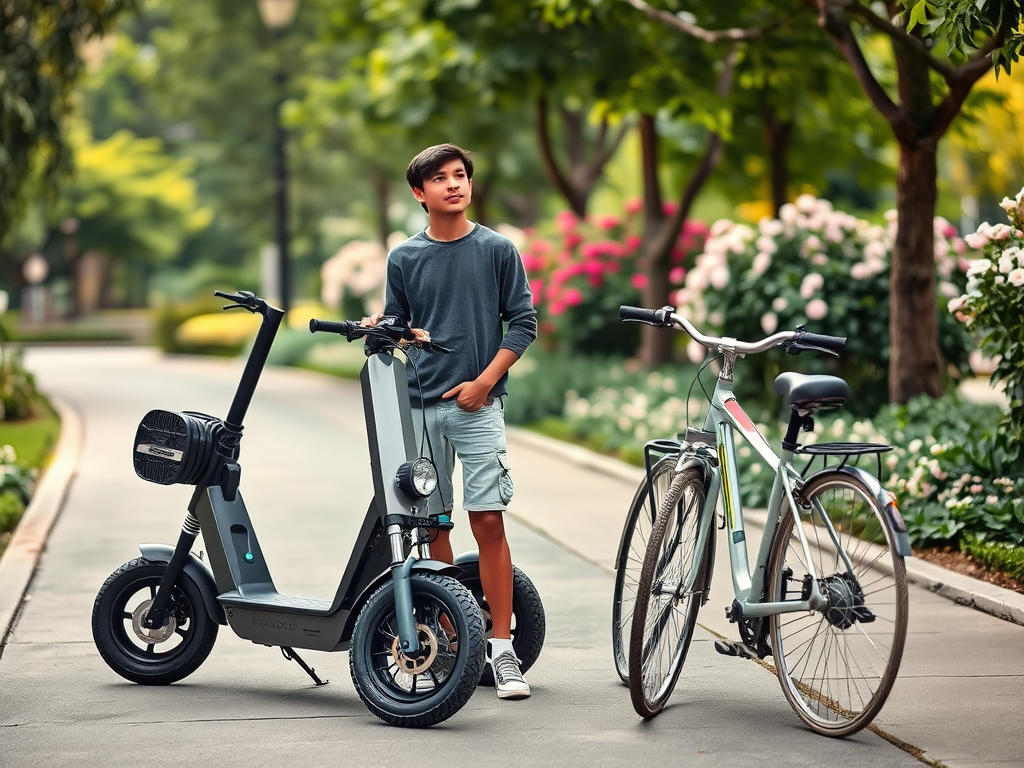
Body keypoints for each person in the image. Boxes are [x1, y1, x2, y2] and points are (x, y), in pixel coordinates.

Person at [363, 143, 538, 700]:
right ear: (420, 193)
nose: (453, 185)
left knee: (488, 521)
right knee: (433, 527)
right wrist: (381, 329)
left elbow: (523, 324)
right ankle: (452, 640)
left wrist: (484, 383)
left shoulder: (496, 250)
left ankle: (503, 649)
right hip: (420, 411)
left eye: (460, 175)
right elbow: (395, 328)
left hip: (479, 408)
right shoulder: (405, 258)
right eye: (439, 179)